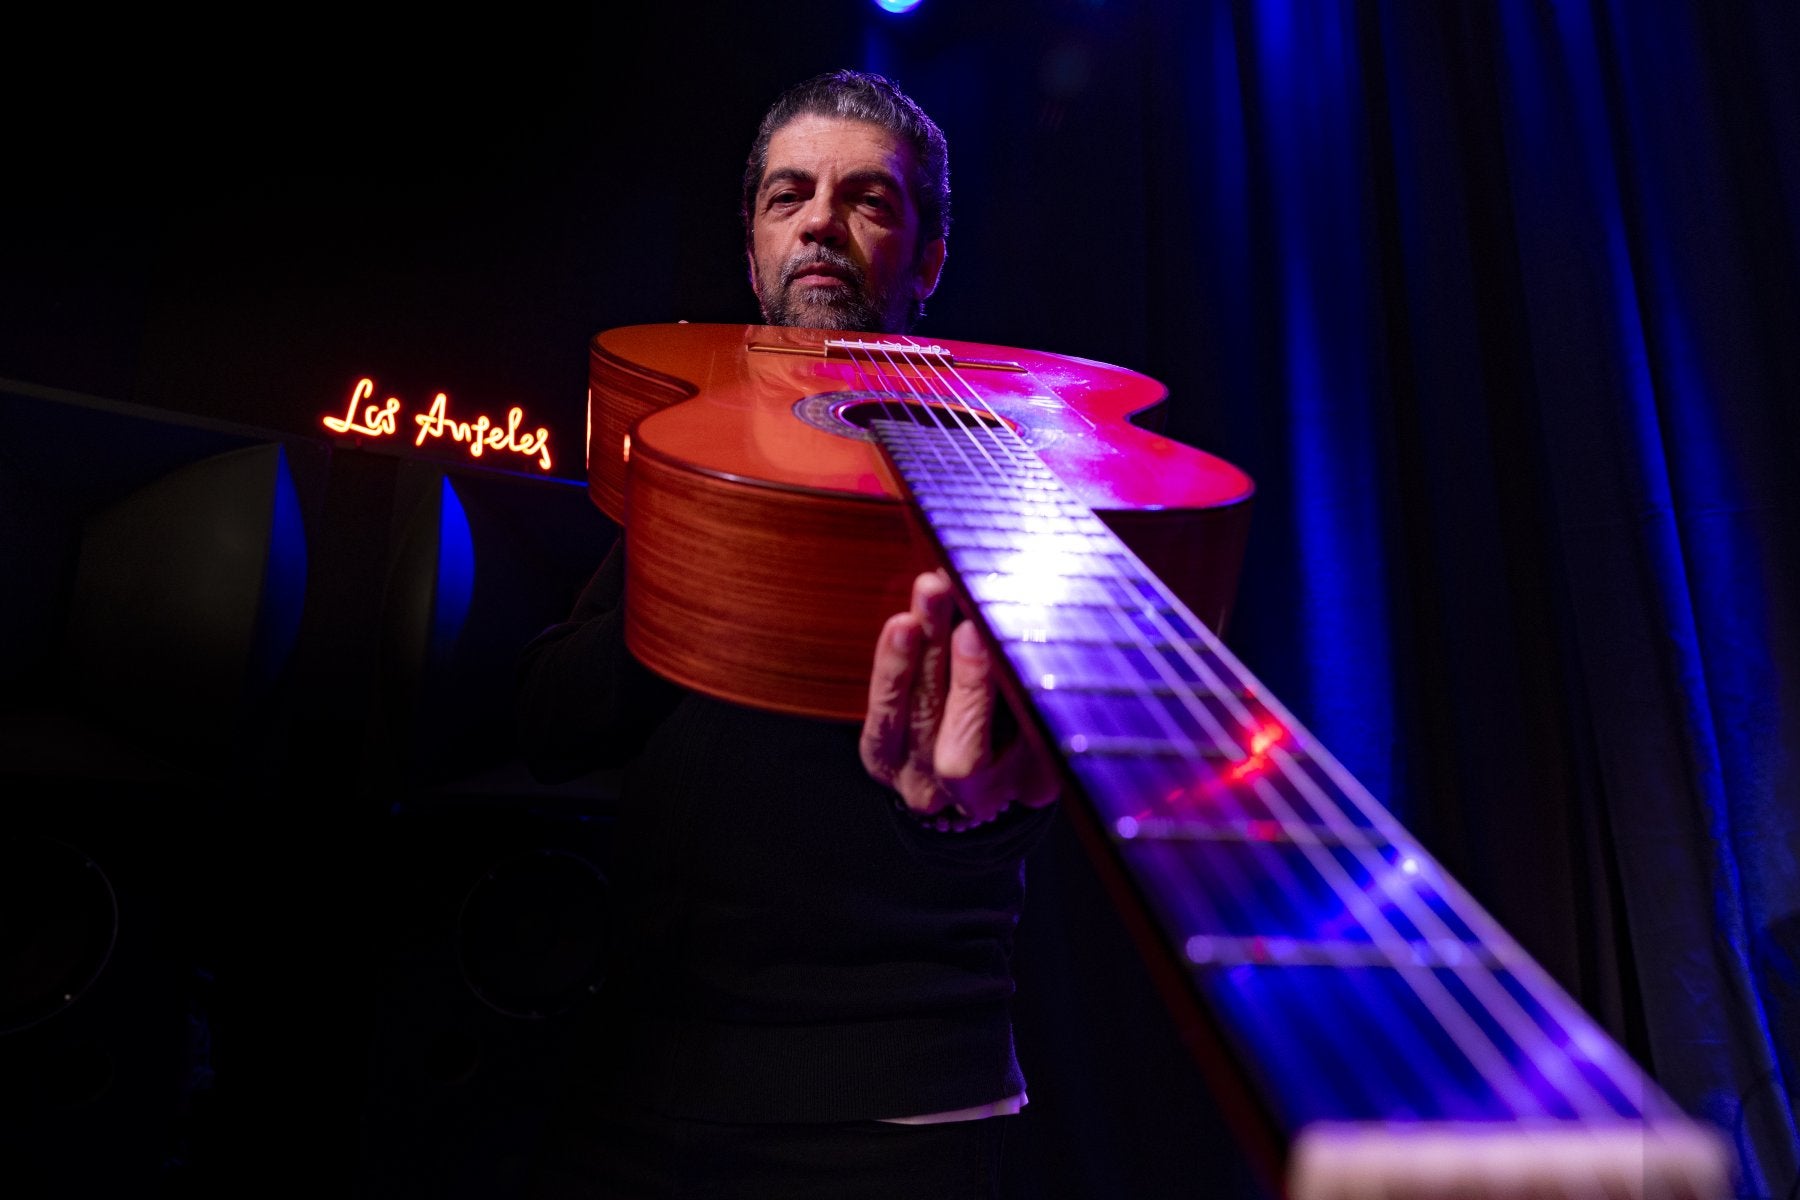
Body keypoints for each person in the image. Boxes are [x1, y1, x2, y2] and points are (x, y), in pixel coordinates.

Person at [514, 69, 1059, 1199]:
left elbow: (1005, 784)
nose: (819, 220)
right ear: (755, 251)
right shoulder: (685, 453)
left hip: (897, 1106)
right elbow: (555, 722)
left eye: (868, 198)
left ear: (931, 256)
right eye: (787, 196)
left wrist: (972, 809)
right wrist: (717, 552)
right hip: (646, 1079)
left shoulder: (996, 467)